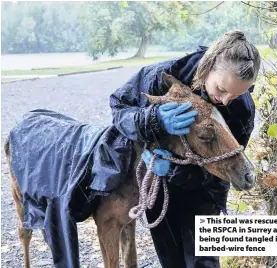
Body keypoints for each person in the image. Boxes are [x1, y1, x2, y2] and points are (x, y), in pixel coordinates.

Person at [109, 30, 261, 268]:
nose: (225, 100)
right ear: (208, 65)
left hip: (205, 190)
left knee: (204, 262)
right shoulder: (161, 76)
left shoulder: (241, 110)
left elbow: (227, 164)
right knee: (171, 259)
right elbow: (119, 108)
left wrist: (172, 170)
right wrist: (153, 119)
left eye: (236, 94)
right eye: (221, 89)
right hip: (159, 187)